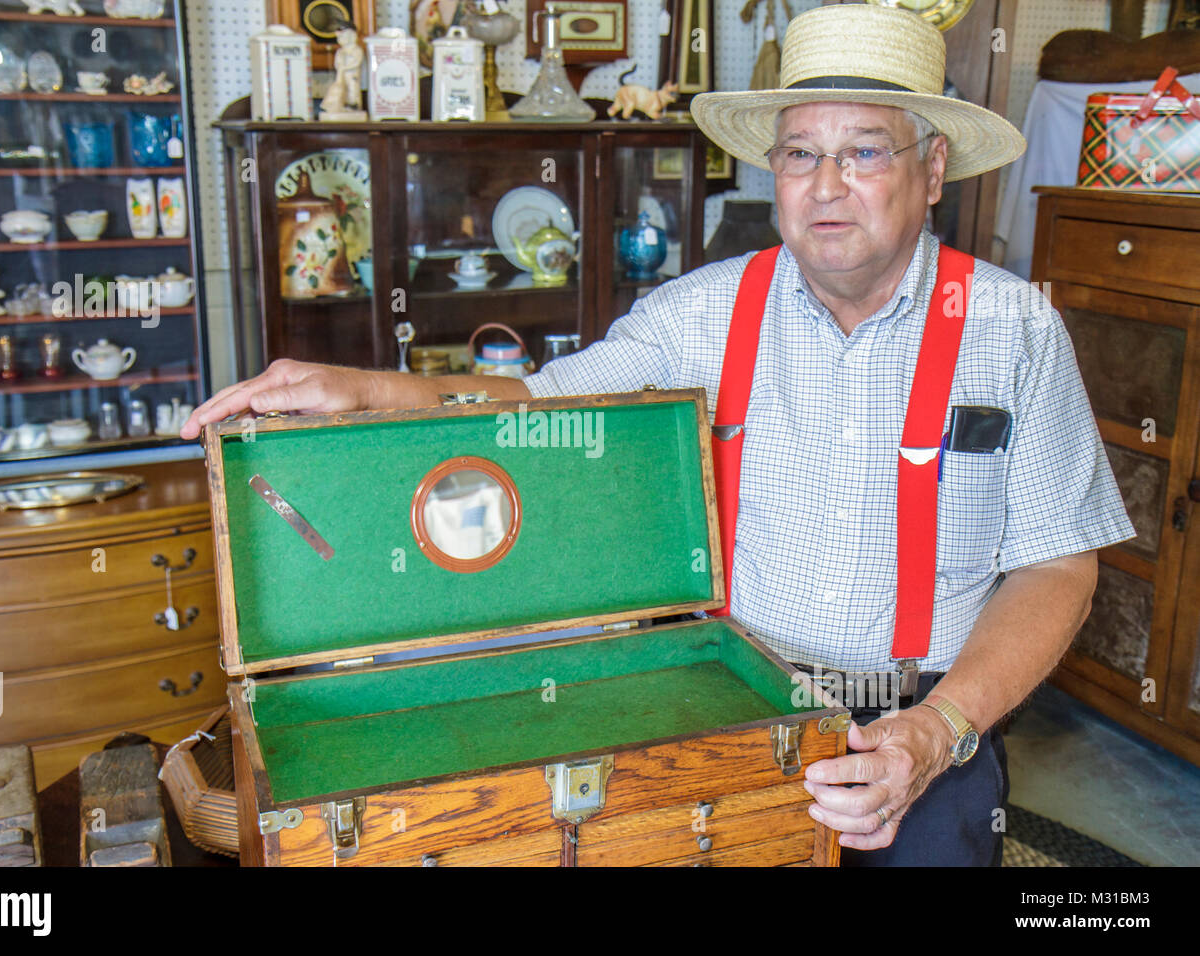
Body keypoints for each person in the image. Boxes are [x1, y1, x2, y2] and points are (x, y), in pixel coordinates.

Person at [182, 4, 1135, 865]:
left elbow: (1059, 565)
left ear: (932, 170)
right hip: (730, 709)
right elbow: (537, 406)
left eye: (866, 150)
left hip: (935, 723)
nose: (827, 184)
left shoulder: (1013, 328)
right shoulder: (704, 313)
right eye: (800, 153)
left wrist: (938, 729)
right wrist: (361, 390)